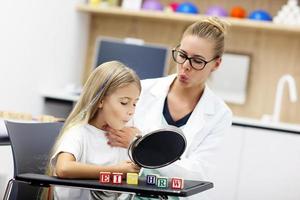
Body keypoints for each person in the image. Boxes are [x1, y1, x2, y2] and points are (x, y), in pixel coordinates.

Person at [105, 17, 233, 200]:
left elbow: (197, 174)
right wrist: (164, 159)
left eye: (197, 61)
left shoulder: (219, 114)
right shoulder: (142, 90)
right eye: (182, 55)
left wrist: (138, 146)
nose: (185, 66)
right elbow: (113, 144)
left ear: (216, 64)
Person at [47, 61, 141, 200]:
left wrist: (139, 141)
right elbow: (63, 168)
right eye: (124, 102)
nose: (131, 111)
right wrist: (117, 171)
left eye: (135, 103)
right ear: (100, 101)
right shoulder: (79, 133)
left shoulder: (122, 138)